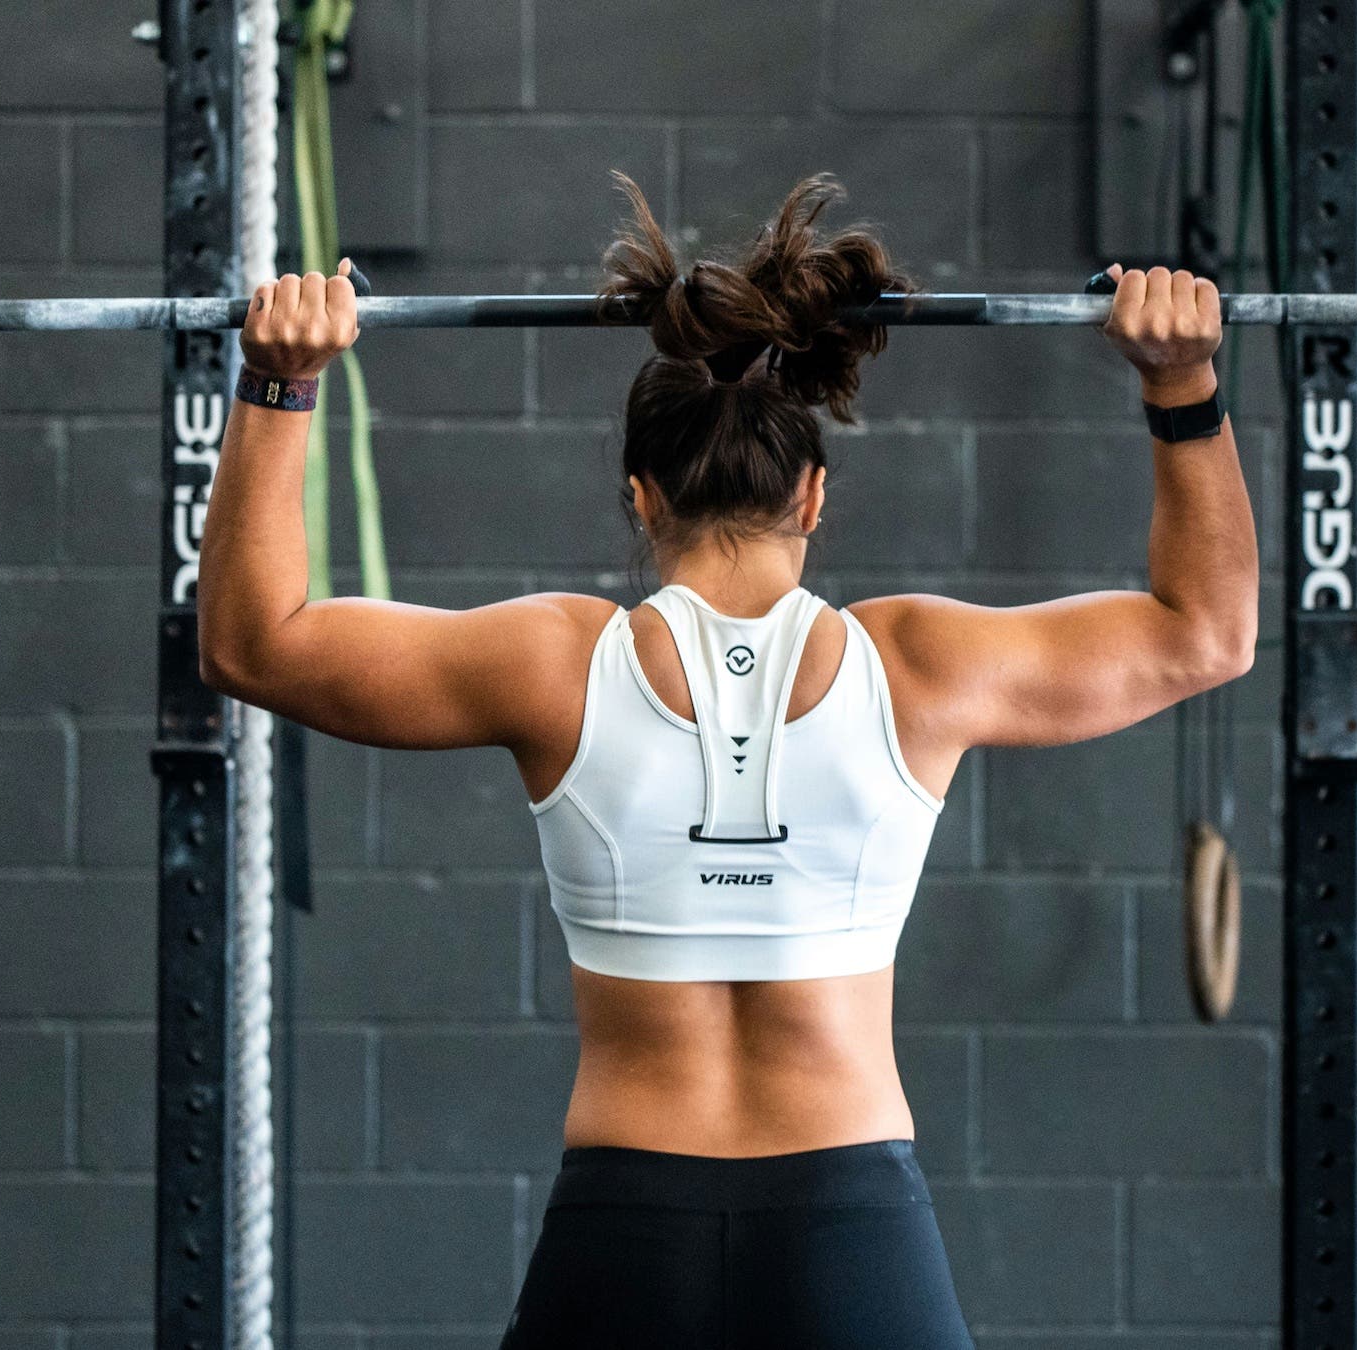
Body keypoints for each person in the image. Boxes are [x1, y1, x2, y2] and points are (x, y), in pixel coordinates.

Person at [196, 173, 1257, 1350]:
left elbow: (254, 643)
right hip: (854, 1229)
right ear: (813, 495)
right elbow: (1204, 632)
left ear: (638, 496)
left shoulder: (553, 663)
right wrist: (1182, 385)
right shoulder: (916, 666)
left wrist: (279, 381)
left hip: (623, 1230)